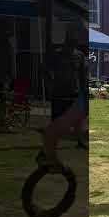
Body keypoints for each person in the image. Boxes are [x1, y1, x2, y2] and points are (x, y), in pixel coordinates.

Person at [41, 28, 88, 163]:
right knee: (56, 121)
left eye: (75, 41)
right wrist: (49, 84)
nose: (73, 43)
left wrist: (84, 89)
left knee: (79, 120)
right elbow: (44, 69)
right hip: (58, 93)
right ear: (66, 40)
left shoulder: (79, 56)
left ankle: (80, 141)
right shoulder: (57, 55)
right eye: (71, 40)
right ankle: (50, 146)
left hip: (74, 93)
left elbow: (82, 75)